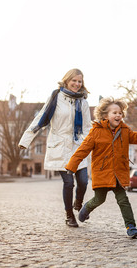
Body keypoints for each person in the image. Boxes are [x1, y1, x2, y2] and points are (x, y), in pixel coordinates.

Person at [65, 97, 137, 238]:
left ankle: (131, 226)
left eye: (120, 113)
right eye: (114, 112)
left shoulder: (125, 130)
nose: (118, 115)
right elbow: (82, 150)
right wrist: (72, 166)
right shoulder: (96, 131)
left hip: (119, 173)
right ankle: (85, 209)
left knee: (123, 200)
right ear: (105, 115)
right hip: (102, 172)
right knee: (99, 199)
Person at [19, 68, 92, 228]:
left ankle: (78, 201)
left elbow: (87, 127)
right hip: (59, 146)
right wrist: (26, 139)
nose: (77, 84)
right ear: (66, 80)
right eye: (74, 80)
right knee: (68, 183)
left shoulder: (83, 102)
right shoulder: (56, 97)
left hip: (77, 146)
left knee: (83, 181)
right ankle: (69, 215)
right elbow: (41, 117)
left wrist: (90, 146)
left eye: (79, 81)